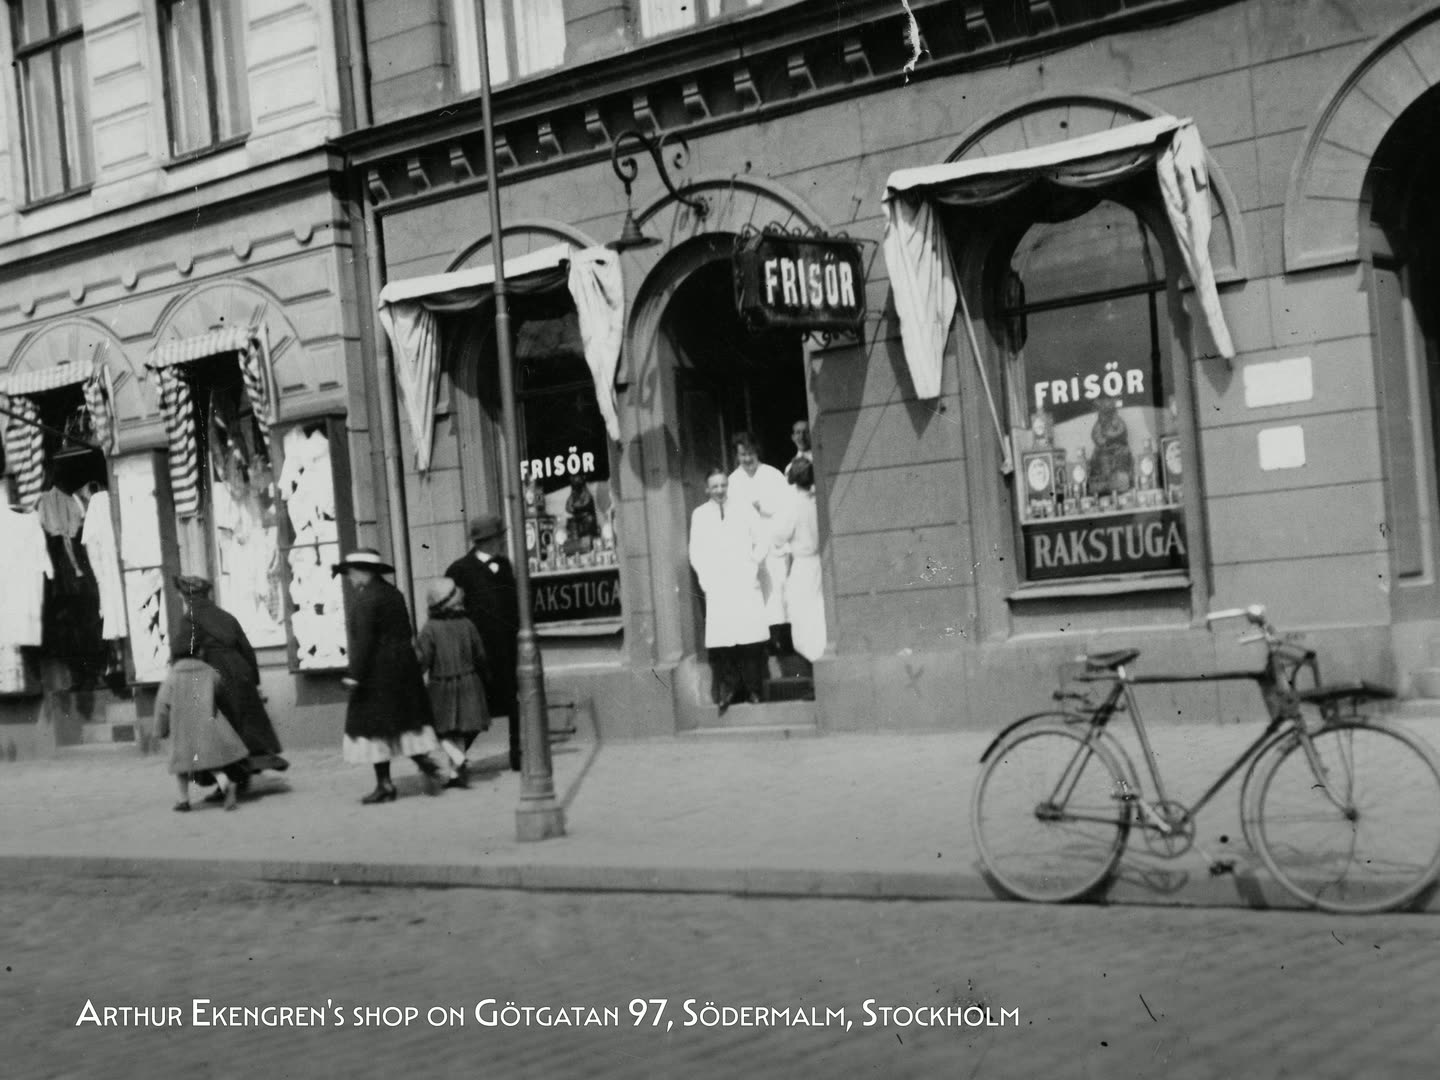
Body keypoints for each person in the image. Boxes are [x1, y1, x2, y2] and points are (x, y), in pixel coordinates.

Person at [334, 548, 456, 803]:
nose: (350, 578)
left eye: (351, 572)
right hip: (402, 671)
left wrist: (354, 675)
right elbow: (406, 631)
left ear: (363, 571)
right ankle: (427, 767)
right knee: (404, 724)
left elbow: (363, 642)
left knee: (375, 731)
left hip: (375, 675)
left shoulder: (365, 599)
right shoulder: (393, 594)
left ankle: (385, 784)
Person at [173, 575, 289, 794]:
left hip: (213, 674)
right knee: (244, 725)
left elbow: (182, 650)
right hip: (240, 672)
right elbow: (246, 648)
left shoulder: (190, 619)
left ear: (187, 597)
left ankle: (228, 783)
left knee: (220, 729)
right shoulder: (226, 616)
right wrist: (253, 681)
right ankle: (243, 776)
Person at [689, 466, 769, 713]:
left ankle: (754, 690)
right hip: (719, 585)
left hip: (743, 582)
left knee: (749, 640)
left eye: (723, 485)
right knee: (725, 642)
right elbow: (696, 552)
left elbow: (762, 539)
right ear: (707, 489)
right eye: (715, 486)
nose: (720, 490)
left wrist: (752, 564)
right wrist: (706, 580)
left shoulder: (744, 509)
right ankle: (731, 691)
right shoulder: (700, 515)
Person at [446, 515, 521, 771]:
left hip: (507, 651)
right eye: (500, 538)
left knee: (514, 705)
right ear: (487, 541)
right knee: (476, 711)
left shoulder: (504, 565)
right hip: (479, 655)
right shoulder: (460, 570)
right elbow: (450, 613)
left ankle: (518, 755)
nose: (503, 542)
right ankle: (455, 761)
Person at [155, 645, 249, 812]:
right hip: (206, 724)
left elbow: (162, 704)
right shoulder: (209, 672)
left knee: (181, 767)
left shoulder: (172, 676)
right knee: (212, 763)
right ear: (198, 653)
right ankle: (225, 784)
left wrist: (161, 729)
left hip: (182, 727)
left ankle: (183, 801)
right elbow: (220, 690)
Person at [415, 577, 489, 786]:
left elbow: (423, 659)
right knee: (460, 731)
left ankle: (459, 759)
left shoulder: (430, 628)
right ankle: (456, 775)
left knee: (438, 730)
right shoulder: (468, 624)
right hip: (469, 682)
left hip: (442, 686)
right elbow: (480, 654)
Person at [727, 431, 790, 655]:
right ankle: (764, 642)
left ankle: (783, 640)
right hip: (751, 548)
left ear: (757, 452)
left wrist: (762, 507)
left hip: (774, 544)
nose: (747, 459)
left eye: (750, 453)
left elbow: (787, 508)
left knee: (779, 591)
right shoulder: (733, 481)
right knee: (757, 595)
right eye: (742, 454)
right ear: (737, 456)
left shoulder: (772, 475)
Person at [776, 457, 827, 666]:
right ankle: (820, 656)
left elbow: (779, 536)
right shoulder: (817, 502)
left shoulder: (793, 506)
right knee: (817, 610)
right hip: (819, 562)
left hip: (803, 564)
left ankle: (812, 658)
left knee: (801, 612)